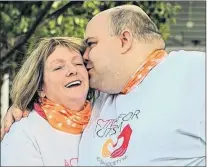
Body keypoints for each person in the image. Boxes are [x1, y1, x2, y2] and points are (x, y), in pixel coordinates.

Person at [1, 5, 205, 166]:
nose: (85, 56)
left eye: (91, 44)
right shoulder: (104, 96)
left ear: (124, 40)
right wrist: (23, 106)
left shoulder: (193, 72)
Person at [1, 37, 93, 166]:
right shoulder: (24, 133)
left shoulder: (105, 113)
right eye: (58, 67)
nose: (73, 70)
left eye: (78, 63)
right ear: (39, 87)